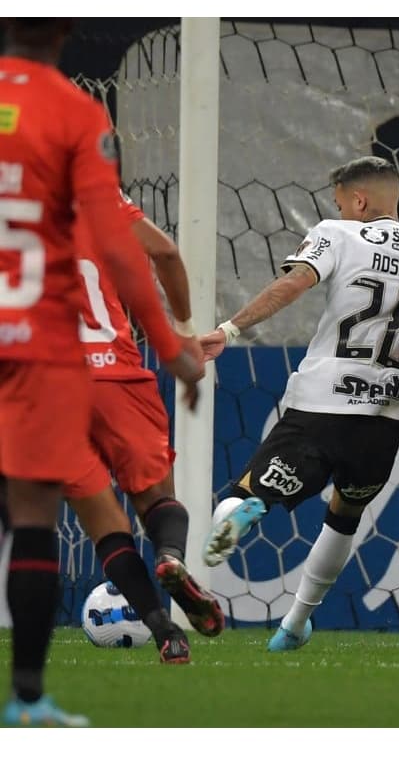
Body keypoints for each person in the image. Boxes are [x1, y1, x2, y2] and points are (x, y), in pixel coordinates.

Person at [0, 18, 202, 726]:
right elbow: (136, 252)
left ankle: (160, 624)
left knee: (33, 514)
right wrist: (171, 339)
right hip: (76, 357)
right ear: (60, 35)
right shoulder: (73, 116)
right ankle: (29, 698)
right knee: (78, 516)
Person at [198, 156, 399, 652]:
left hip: (324, 401)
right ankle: (296, 624)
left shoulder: (338, 234)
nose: (338, 209)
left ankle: (239, 509)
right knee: (345, 514)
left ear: (358, 200)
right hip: (387, 417)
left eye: (340, 201)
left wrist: (229, 330)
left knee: (249, 488)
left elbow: (292, 283)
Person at [61, 190, 226, 664]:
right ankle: (171, 556)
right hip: (115, 373)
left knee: (101, 523)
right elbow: (165, 252)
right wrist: (183, 329)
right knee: (154, 500)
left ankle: (164, 631)